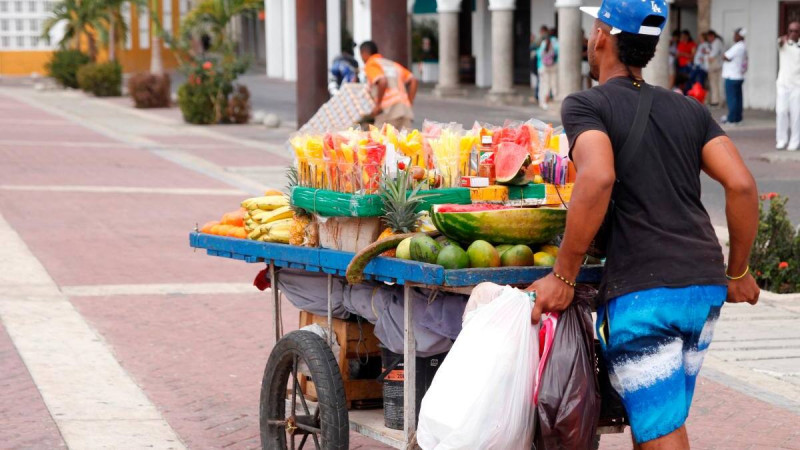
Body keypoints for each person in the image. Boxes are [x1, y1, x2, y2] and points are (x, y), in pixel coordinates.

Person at [528, 0, 760, 449]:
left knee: (661, 432)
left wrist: (563, 275)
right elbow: (743, 185)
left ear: (602, 36)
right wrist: (739, 270)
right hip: (703, 290)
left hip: (646, 293)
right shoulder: (688, 109)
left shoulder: (586, 105)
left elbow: (597, 176)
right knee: (656, 422)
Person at [359, 41, 418, 130]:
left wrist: (378, 105)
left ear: (364, 53)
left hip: (388, 112)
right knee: (405, 142)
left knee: (380, 141)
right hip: (405, 111)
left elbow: (382, 81)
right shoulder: (392, 64)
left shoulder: (371, 64)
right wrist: (409, 102)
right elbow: (414, 80)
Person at [776, 21, 800, 151]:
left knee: (796, 115)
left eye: (796, 31)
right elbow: (780, 42)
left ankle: (794, 142)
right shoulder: (783, 42)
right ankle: (781, 140)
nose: (792, 33)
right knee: (781, 112)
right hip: (783, 85)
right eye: (790, 30)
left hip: (797, 85)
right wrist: (783, 39)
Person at [722, 28, 747, 125]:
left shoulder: (738, 46)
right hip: (738, 76)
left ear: (740, 35)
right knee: (738, 98)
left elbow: (725, 56)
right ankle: (738, 118)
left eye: (735, 34)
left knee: (732, 99)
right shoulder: (743, 46)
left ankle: (732, 119)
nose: (734, 36)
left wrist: (725, 57)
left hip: (732, 76)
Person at [537, 26, 559, 110]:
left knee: (544, 84)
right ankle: (556, 100)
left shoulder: (544, 42)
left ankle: (543, 102)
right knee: (554, 84)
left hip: (543, 67)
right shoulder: (557, 42)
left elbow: (539, 55)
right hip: (554, 66)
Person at [706, 30, 725, 106]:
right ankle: (716, 100)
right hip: (718, 65)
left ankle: (716, 101)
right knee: (716, 84)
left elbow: (712, 56)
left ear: (712, 36)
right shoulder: (717, 42)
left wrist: (708, 56)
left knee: (714, 84)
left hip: (715, 66)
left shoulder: (716, 43)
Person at [530, 33, 540, 100]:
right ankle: (536, 95)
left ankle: (536, 95)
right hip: (537, 66)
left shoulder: (534, 46)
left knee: (539, 81)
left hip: (538, 66)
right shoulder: (534, 46)